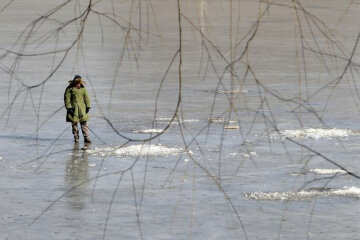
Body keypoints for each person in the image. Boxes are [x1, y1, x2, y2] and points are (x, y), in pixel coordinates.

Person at [64, 75, 92, 143]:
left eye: (79, 83)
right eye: (77, 83)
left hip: (82, 109)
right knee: (74, 125)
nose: (78, 84)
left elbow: (86, 97)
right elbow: (67, 99)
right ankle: (76, 138)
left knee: (84, 123)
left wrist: (88, 106)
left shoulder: (83, 88)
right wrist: (69, 108)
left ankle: (86, 138)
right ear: (74, 82)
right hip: (73, 109)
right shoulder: (69, 89)